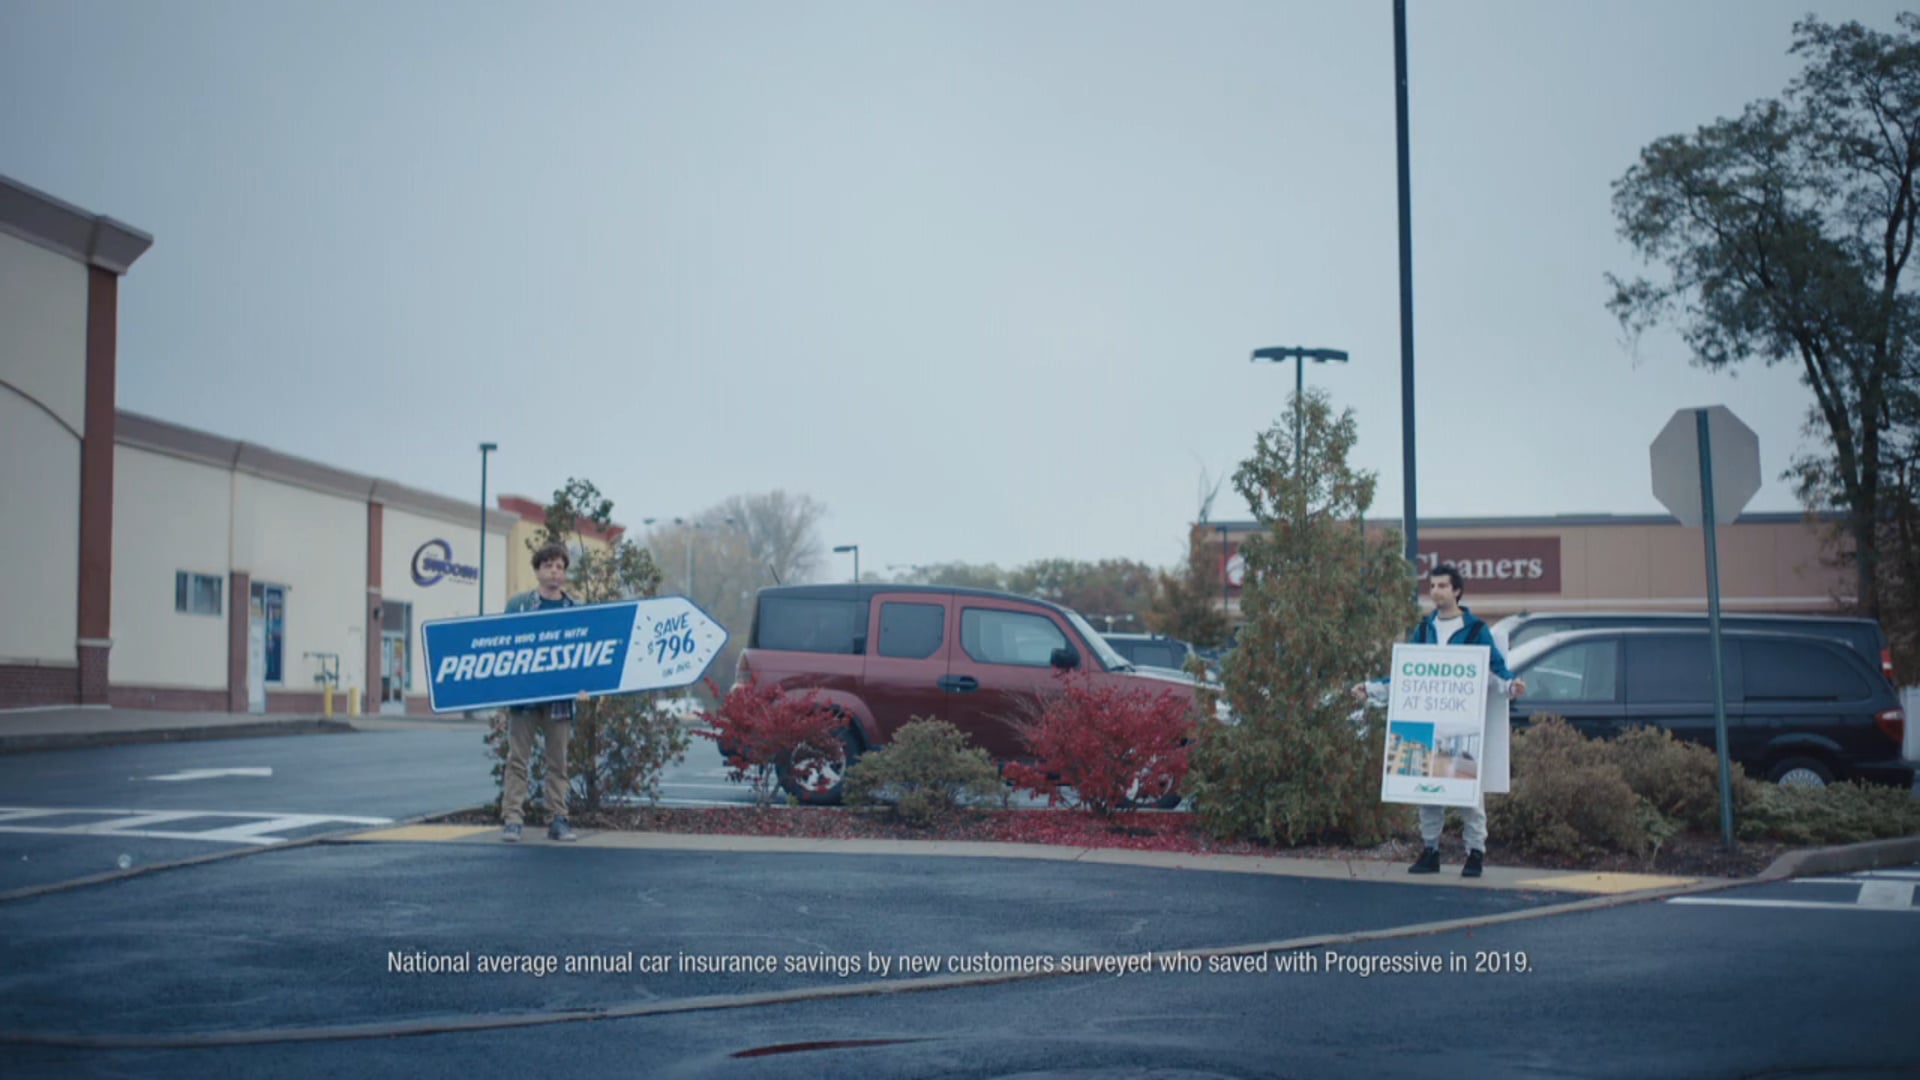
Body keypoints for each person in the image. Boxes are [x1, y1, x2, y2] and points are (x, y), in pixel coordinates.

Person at [1351, 563, 1527, 878]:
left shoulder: (1475, 630)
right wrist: (1371, 688)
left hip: (1461, 724)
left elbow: (1495, 668)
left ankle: (1475, 853)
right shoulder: (1423, 629)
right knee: (1427, 791)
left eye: (1443, 586)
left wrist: (1511, 685)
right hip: (1426, 721)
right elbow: (1404, 673)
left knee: (1468, 793)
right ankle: (1430, 850)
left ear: (1457, 590)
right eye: (1432, 586)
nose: (1435, 592)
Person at [499, 542, 591, 843]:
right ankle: (513, 820)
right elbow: (503, 644)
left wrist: (585, 685)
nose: (554, 572)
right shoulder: (519, 605)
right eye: (548, 566)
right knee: (518, 759)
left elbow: (585, 652)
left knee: (558, 762)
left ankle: (557, 819)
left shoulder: (575, 609)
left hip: (560, 699)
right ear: (538, 570)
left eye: (560, 567)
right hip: (524, 697)